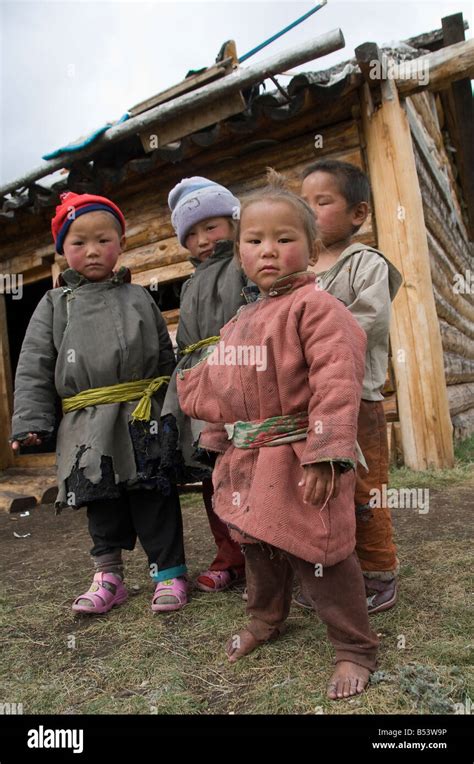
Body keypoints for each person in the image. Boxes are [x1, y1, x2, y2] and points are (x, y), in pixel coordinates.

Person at [177, 170, 379, 699]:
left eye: (285, 239)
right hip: (249, 459)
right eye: (255, 240)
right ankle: (266, 620)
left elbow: (338, 379)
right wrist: (216, 441)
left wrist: (327, 453)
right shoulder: (240, 321)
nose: (269, 250)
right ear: (240, 251)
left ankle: (354, 647)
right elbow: (222, 387)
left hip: (298, 454)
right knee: (259, 546)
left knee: (321, 551)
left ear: (311, 250)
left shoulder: (317, 309)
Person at [10, 192, 187, 614]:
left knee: (154, 492)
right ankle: (108, 575)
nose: (92, 251)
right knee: (100, 496)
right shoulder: (54, 305)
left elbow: (165, 358)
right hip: (87, 422)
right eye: (78, 243)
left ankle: (169, 573)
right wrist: (30, 421)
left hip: (141, 414)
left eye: (104, 240)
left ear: (121, 243)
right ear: (61, 251)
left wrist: (176, 411)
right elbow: (35, 364)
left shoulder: (139, 297)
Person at [300, 159, 402, 614]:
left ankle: (379, 574)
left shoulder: (366, 264)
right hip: (309, 403)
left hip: (356, 400)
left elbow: (369, 322)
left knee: (364, 490)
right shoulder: (297, 271)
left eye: (322, 202)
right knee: (319, 492)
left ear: (358, 213)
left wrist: (312, 342)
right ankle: (330, 572)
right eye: (304, 203)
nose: (310, 211)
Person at [161, 177, 248, 594]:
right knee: (213, 473)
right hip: (202, 382)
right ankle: (229, 557)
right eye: (191, 234)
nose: (201, 240)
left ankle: (271, 553)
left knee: (254, 465)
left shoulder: (245, 262)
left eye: (210, 227)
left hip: (243, 373)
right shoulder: (191, 282)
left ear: (233, 221)